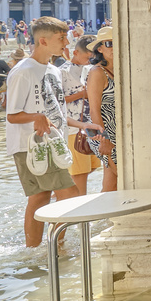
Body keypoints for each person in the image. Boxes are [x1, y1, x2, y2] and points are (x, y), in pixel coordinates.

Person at [4, 18, 77, 246]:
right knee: (70, 195)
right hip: (32, 145)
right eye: (61, 38)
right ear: (43, 41)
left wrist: (81, 126)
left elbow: (56, 110)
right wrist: (37, 117)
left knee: (39, 198)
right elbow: (12, 115)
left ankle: (34, 249)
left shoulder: (53, 70)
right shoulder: (23, 72)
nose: (66, 42)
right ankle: (57, 247)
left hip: (52, 145)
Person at [60, 38, 99, 196]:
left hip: (90, 125)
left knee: (92, 167)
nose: (89, 60)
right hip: (73, 127)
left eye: (91, 57)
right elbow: (57, 101)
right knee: (80, 173)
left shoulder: (90, 69)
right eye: (86, 56)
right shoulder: (63, 71)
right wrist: (81, 94)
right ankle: (76, 203)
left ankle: (67, 192)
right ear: (75, 52)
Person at [85, 27, 120, 194]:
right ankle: (107, 218)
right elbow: (93, 110)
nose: (114, 47)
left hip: (118, 131)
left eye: (117, 42)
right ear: (100, 48)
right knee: (115, 179)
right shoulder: (97, 72)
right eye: (109, 44)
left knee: (116, 182)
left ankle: (109, 219)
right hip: (103, 131)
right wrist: (103, 139)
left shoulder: (120, 69)